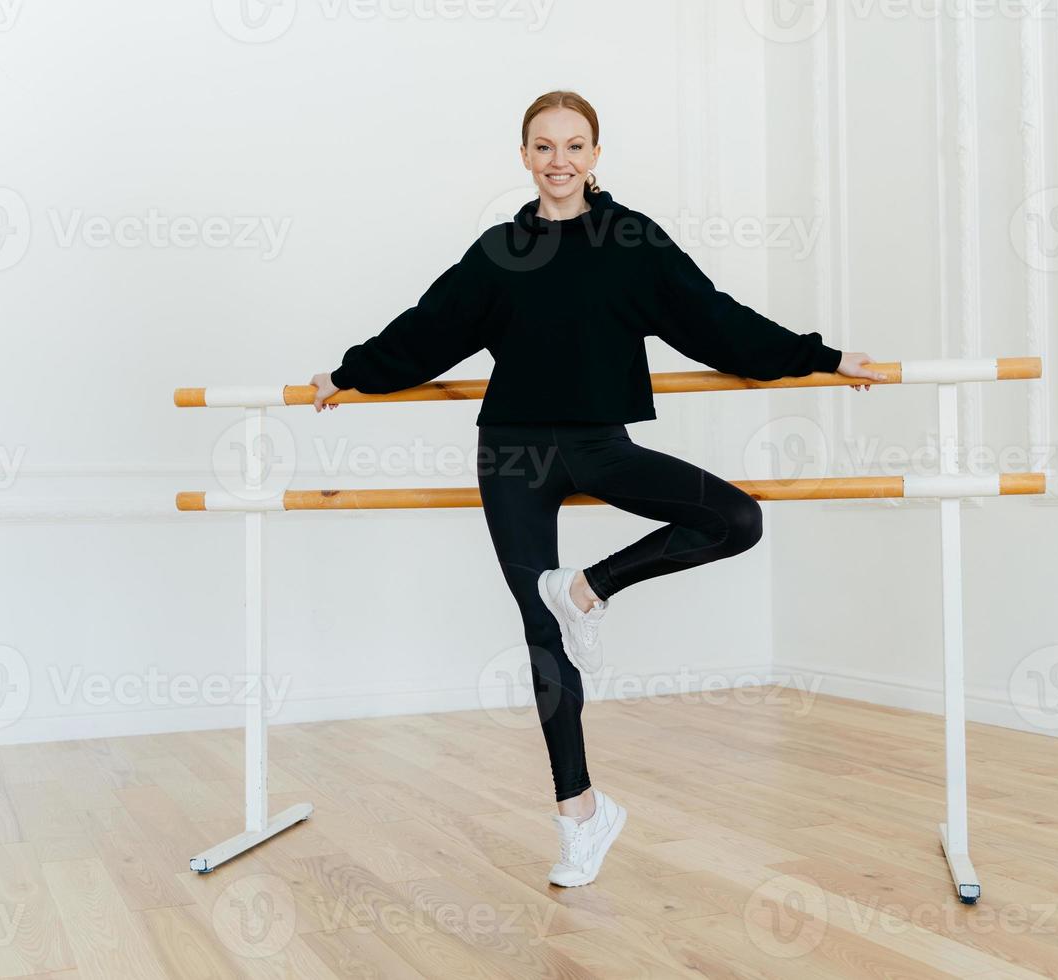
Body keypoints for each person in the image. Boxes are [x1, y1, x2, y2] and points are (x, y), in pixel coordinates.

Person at [310, 90, 887, 887]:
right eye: (543, 147)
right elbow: (428, 328)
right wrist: (348, 374)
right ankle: (578, 815)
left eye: (574, 146)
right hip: (510, 454)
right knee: (540, 643)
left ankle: (586, 589)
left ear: (596, 154)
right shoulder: (499, 249)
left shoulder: (631, 241)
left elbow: (713, 320)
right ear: (522, 156)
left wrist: (821, 356)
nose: (559, 162)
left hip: (595, 448)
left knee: (734, 517)